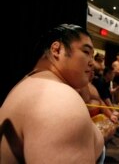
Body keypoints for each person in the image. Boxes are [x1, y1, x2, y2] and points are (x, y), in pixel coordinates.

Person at [0, 24, 105, 163]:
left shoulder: (29, 84)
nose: (92, 63)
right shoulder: (59, 100)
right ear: (57, 49)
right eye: (86, 52)